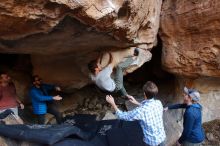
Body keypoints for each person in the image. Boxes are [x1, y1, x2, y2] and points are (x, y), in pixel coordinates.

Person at [106, 81, 166, 146]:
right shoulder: (158, 103)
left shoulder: (140, 111)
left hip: (151, 142)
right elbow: (149, 108)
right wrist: (136, 102)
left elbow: (122, 116)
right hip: (162, 137)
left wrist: (113, 103)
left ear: (144, 94)